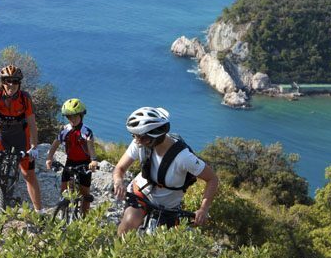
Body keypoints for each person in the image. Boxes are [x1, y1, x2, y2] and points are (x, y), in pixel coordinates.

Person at [112, 106, 219, 236]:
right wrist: (118, 181)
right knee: (128, 224)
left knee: (161, 242)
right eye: (134, 135)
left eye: (142, 137)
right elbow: (120, 168)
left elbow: (212, 179)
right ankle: (119, 247)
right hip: (141, 193)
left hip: (168, 206)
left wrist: (203, 209)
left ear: (155, 135)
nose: (137, 141)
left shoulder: (184, 158)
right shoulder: (140, 144)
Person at [0, 64, 43, 210]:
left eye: (15, 81)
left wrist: (34, 147)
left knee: (29, 174)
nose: (11, 85)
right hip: (0, 133)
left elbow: (32, 124)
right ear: (3, 82)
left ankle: (39, 212)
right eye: (8, 81)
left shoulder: (25, 98)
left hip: (20, 135)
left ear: (19, 83)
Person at [45, 98, 99, 216]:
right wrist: (49, 158)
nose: (72, 119)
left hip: (85, 163)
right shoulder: (65, 130)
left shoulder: (86, 131)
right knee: (64, 190)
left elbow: (91, 147)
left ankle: (84, 219)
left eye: (75, 116)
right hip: (70, 161)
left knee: (85, 194)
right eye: (69, 117)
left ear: (81, 115)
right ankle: (63, 213)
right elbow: (55, 144)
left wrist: (93, 160)